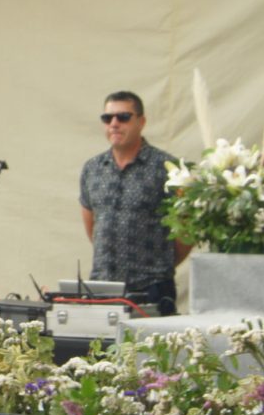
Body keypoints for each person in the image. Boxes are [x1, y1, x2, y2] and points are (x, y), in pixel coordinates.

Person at [78, 90, 190, 316]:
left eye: (123, 117)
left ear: (141, 122)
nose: (114, 124)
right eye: (107, 118)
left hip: (152, 288)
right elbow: (92, 227)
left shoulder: (167, 168)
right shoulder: (93, 169)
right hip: (103, 288)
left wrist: (160, 266)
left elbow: (186, 232)